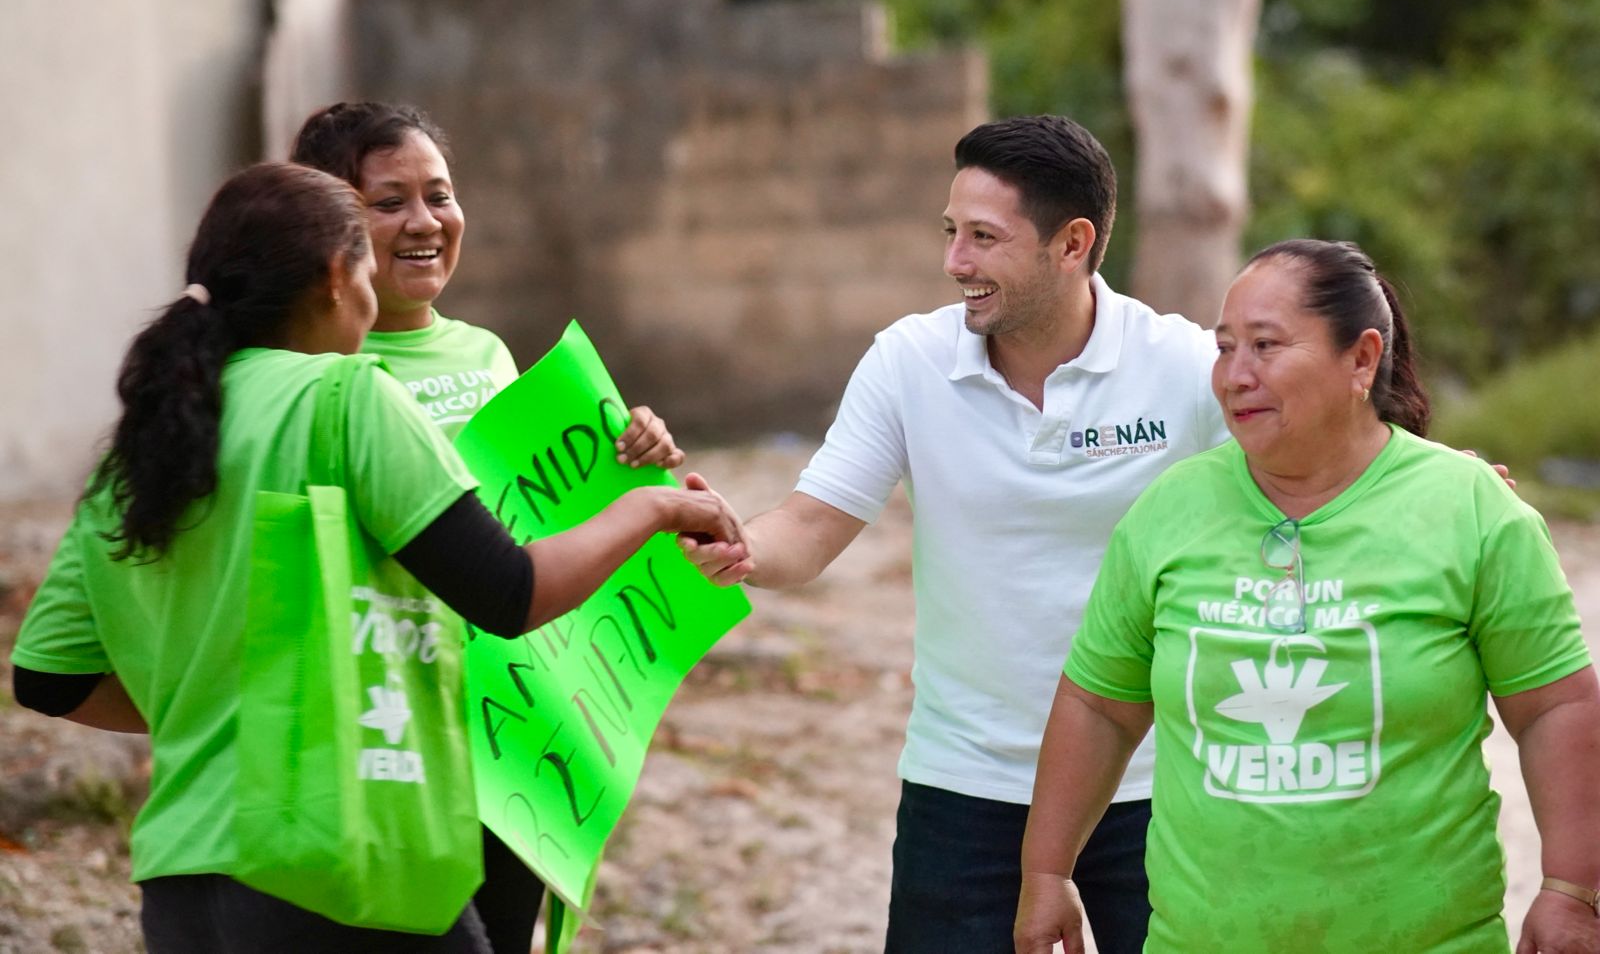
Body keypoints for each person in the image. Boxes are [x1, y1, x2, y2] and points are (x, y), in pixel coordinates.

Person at [8, 162, 745, 954]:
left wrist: (221, 707)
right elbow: (507, 593)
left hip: (182, 885)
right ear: (336, 276)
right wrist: (656, 506)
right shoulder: (346, 397)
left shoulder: (140, 450)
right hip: (338, 858)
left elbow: (51, 677)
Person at [685, 115, 1230, 953]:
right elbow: (812, 521)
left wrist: (1430, 482)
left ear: (1073, 244)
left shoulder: (1182, 367)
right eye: (950, 233)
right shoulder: (908, 362)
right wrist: (743, 547)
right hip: (965, 787)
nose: (955, 263)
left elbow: (1310, 464)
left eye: (983, 238)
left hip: (1153, 787)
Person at [1014, 239, 1600, 954]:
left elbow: (1555, 707)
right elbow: (1099, 705)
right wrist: (1047, 872)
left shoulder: (1472, 509)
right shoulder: (1169, 510)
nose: (1236, 376)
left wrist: (1571, 889)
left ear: (1361, 359)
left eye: (1266, 346)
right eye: (1225, 348)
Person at [290, 100, 684, 954]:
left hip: (509, 738)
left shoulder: (488, 355)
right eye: (389, 202)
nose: (424, 222)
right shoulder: (318, 369)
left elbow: (543, 527)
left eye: (440, 194)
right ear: (330, 221)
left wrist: (631, 450)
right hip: (387, 737)